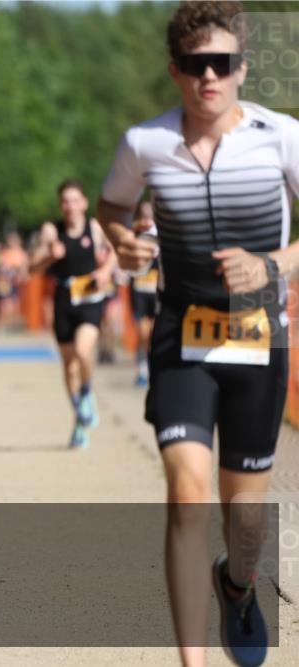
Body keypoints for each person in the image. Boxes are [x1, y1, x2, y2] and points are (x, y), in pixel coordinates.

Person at [98, 3, 299, 665]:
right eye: (194, 64)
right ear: (175, 70)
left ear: (242, 67)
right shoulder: (145, 142)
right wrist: (124, 242)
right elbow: (112, 207)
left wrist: (269, 265)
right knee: (186, 493)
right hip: (182, 336)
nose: (208, 76)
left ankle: (236, 584)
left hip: (258, 340)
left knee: (245, 524)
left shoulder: (282, 137)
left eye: (222, 63)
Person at [30, 180, 117, 449]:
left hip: (90, 296)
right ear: (61, 205)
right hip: (64, 299)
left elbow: (115, 251)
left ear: (84, 203)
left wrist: (105, 271)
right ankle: (79, 419)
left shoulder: (95, 227)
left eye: (74, 200)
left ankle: (88, 392)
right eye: (65, 201)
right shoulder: (51, 230)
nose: (70, 206)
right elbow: (33, 268)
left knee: (83, 350)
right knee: (68, 366)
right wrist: (49, 255)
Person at [128, 200, 160, 386]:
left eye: (150, 213)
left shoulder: (163, 233)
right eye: (144, 213)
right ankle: (141, 368)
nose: (147, 217)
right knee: (142, 332)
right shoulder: (134, 233)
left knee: (154, 333)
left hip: (156, 289)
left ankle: (152, 367)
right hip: (139, 289)